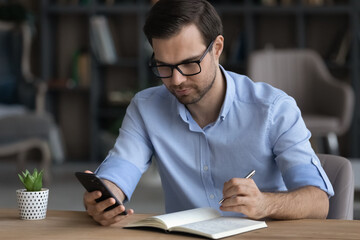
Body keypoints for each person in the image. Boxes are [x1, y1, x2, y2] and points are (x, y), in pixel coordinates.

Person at [83, 0, 334, 226]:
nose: (177, 79)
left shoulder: (274, 109)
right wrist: (102, 199)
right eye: (164, 66)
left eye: (190, 63)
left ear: (217, 48)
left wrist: (265, 204)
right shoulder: (146, 108)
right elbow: (119, 174)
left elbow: (318, 202)